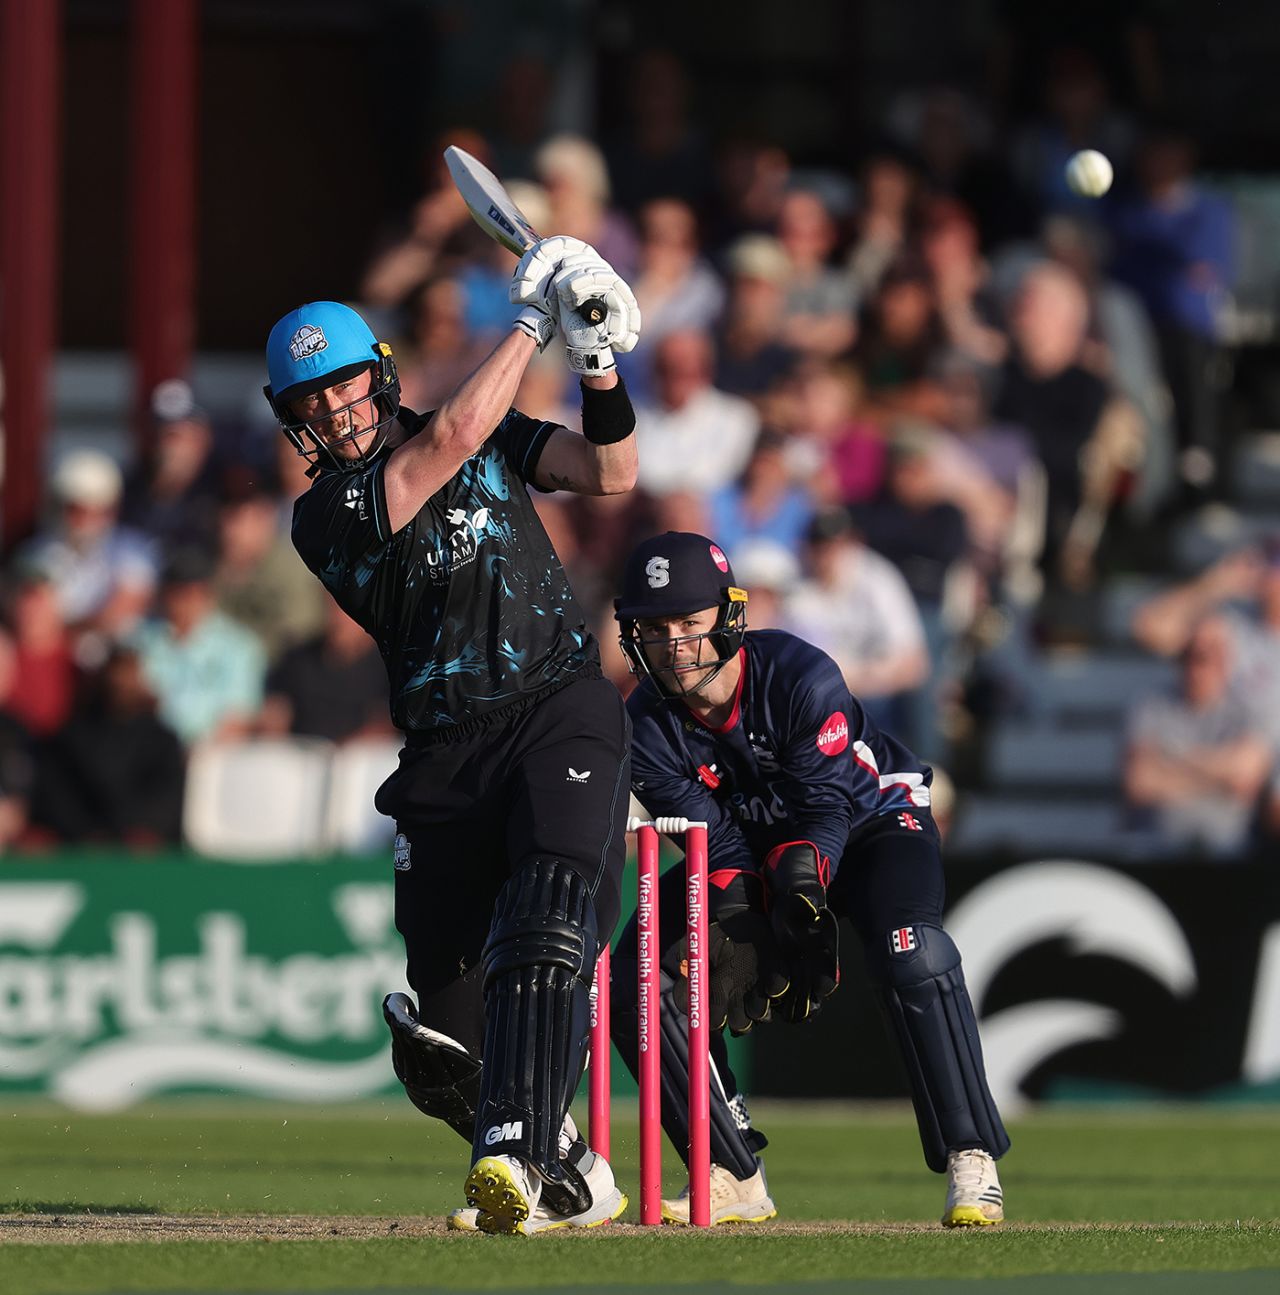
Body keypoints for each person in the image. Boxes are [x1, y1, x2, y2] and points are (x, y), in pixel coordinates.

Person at [262, 235, 642, 1236]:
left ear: (378, 378)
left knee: (552, 908)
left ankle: (514, 1151)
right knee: (441, 1026)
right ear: (294, 418)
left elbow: (607, 471)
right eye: (312, 402)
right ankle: (562, 1161)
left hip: (556, 701)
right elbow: (443, 449)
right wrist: (531, 320)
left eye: (346, 388)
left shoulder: (467, 423)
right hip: (442, 751)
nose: (336, 413)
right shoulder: (326, 514)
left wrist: (596, 358)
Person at [609, 531, 1009, 1228]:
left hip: (871, 821)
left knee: (913, 949)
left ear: (727, 617)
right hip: (757, 853)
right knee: (634, 977)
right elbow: (715, 842)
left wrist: (800, 898)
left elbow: (828, 806)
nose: (676, 644)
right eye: (657, 628)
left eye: (690, 623)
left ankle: (971, 1155)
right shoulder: (644, 726)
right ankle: (730, 1167)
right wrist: (744, 910)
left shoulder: (799, 673)